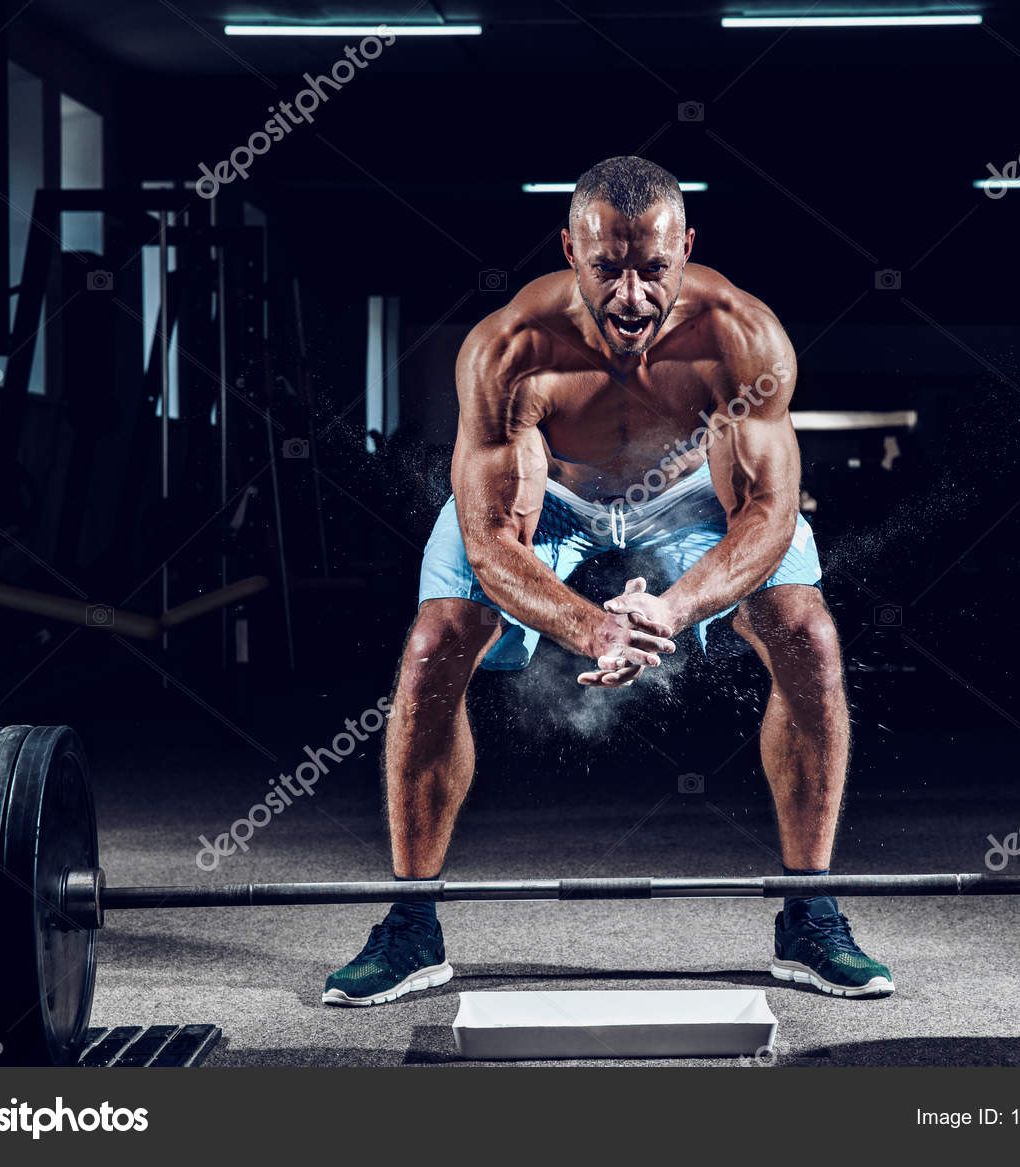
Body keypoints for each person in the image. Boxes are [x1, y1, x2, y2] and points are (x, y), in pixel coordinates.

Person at [324, 156, 890, 1006]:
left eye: (654, 269)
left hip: (692, 491)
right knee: (434, 644)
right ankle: (412, 922)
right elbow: (487, 545)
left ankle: (808, 913)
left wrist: (669, 606)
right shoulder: (509, 351)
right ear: (569, 250)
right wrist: (595, 627)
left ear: (687, 247)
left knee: (808, 633)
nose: (631, 297)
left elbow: (770, 513)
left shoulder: (742, 336)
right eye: (607, 270)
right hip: (550, 493)